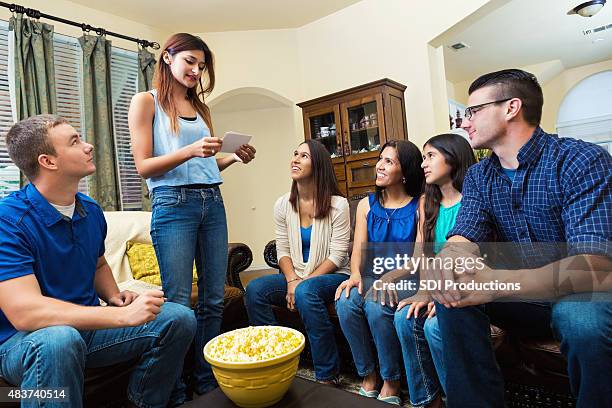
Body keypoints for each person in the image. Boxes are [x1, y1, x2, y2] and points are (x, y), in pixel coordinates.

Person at [426, 69, 611, 407]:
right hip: (524, 297)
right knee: (452, 292)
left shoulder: (581, 160)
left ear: (511, 107)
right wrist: (450, 261)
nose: (464, 122)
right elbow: (466, 233)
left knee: (579, 319)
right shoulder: (481, 175)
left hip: (582, 294)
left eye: (473, 112)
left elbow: (592, 265)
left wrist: (495, 281)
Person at [0, 115, 196, 408]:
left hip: (87, 329)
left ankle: (143, 402)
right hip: (24, 342)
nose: (89, 146)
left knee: (178, 318)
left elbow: (98, 263)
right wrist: (120, 317)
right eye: (75, 141)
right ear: (48, 161)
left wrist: (114, 296)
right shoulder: (9, 219)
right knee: (58, 340)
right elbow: (26, 314)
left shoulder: (89, 209)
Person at [128, 33, 256, 395]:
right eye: (190, 62)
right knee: (180, 303)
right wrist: (190, 150)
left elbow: (204, 166)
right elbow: (144, 166)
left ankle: (205, 381)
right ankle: (177, 386)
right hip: (172, 204)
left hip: (211, 201)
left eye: (201, 66)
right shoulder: (146, 102)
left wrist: (231, 156)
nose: (196, 71)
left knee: (214, 298)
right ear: (167, 58)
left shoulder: (201, 109)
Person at [245, 139, 350, 383]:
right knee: (255, 290)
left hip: (332, 276)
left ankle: (327, 373)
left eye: (303, 156)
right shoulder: (282, 204)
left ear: (319, 165)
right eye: (295, 154)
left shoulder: (338, 205)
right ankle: (276, 358)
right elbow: (282, 249)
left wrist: (302, 284)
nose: (295, 159)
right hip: (298, 276)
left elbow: (337, 255)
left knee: (306, 293)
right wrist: (292, 280)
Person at [334, 140, 424, 405]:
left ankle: (391, 380)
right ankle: (368, 374)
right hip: (373, 277)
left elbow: (418, 259)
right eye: (380, 159)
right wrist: (354, 275)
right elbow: (358, 250)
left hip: (406, 280)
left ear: (405, 171)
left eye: (389, 162)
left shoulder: (419, 206)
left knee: (376, 303)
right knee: (346, 301)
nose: (380, 166)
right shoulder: (366, 205)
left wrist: (389, 278)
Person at [391, 133, 476, 408]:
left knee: (434, 326)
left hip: (467, 286)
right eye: (423, 157)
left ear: (452, 158)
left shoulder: (473, 201)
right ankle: (427, 400)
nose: (423, 164)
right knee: (404, 317)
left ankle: (458, 399)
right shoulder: (428, 204)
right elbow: (421, 258)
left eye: (431, 157)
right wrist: (422, 291)